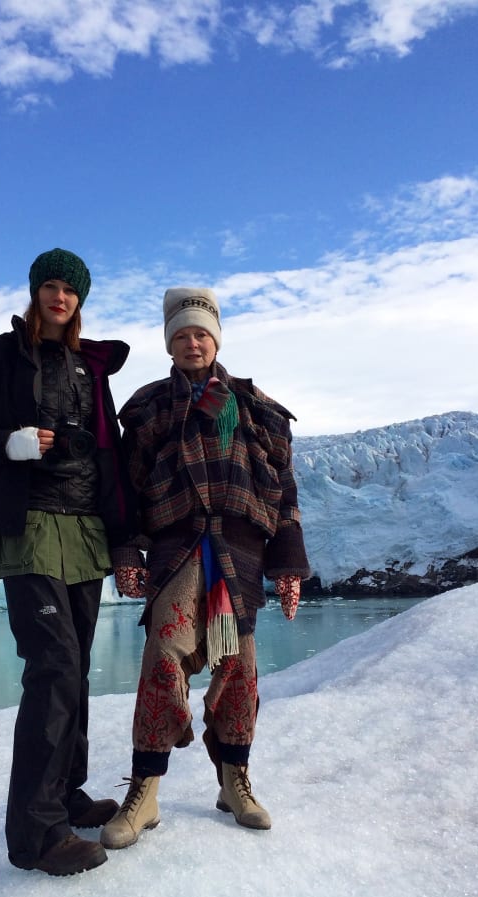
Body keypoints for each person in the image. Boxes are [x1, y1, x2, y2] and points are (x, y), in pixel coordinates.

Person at [0, 248, 135, 877]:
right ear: (34, 291)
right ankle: (37, 834)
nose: (60, 297)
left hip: (84, 530)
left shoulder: (90, 368)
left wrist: (127, 532)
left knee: (75, 668)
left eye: (71, 290)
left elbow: (109, 453)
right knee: (52, 664)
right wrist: (8, 444)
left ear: (81, 300)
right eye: (50, 285)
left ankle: (66, 794)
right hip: (26, 526)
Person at [101, 287, 310, 850]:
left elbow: (281, 487)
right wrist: (126, 553)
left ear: (216, 339)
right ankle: (144, 789)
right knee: (164, 650)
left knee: (240, 665)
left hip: (239, 550)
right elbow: (126, 490)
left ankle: (233, 779)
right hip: (178, 545)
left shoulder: (254, 405)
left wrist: (288, 562)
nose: (191, 343)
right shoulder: (147, 408)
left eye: (201, 333)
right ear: (168, 343)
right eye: (180, 335)